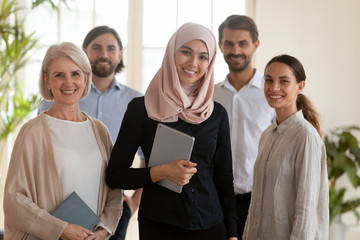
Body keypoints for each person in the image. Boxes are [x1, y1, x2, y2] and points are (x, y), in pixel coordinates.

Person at [106, 23, 238, 240]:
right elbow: (115, 176)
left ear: (211, 62)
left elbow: (224, 177)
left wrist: (232, 234)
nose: (193, 63)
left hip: (211, 226)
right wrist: (161, 172)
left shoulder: (217, 114)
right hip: (160, 226)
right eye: (186, 52)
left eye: (203, 57)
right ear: (171, 53)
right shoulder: (142, 109)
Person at [3, 42, 122, 240]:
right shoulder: (32, 132)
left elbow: (114, 188)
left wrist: (104, 229)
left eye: (75, 74)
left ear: (85, 78)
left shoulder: (100, 131)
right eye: (59, 75)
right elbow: (13, 200)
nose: (69, 83)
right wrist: (60, 228)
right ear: (47, 80)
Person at [38, 25, 144, 240]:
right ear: (84, 52)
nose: (104, 54)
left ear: (120, 54)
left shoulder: (136, 102)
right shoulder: (61, 95)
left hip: (112, 208)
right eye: (96, 48)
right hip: (61, 205)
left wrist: (133, 203)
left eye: (111, 48)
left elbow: (148, 157)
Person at [243, 54, 329, 239]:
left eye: (284, 81)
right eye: (269, 80)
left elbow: (306, 211)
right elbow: (256, 204)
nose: (274, 88)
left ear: (300, 86)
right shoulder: (267, 135)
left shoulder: (305, 137)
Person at [213, 14, 276, 237]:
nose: (236, 51)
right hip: (217, 199)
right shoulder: (210, 95)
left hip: (260, 198)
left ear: (255, 45)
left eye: (243, 43)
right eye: (229, 43)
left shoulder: (271, 95)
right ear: (220, 45)